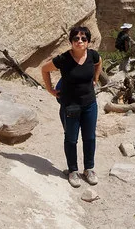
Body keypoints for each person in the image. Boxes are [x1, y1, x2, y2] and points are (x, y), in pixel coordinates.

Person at [41, 26, 102, 188]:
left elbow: (99, 62)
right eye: (76, 39)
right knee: (71, 138)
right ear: (71, 41)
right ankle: (73, 170)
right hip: (70, 105)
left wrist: (95, 78)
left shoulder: (92, 55)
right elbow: (44, 69)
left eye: (83, 39)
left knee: (89, 137)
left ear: (88, 42)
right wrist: (50, 90)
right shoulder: (64, 59)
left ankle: (89, 169)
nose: (80, 42)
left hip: (90, 104)